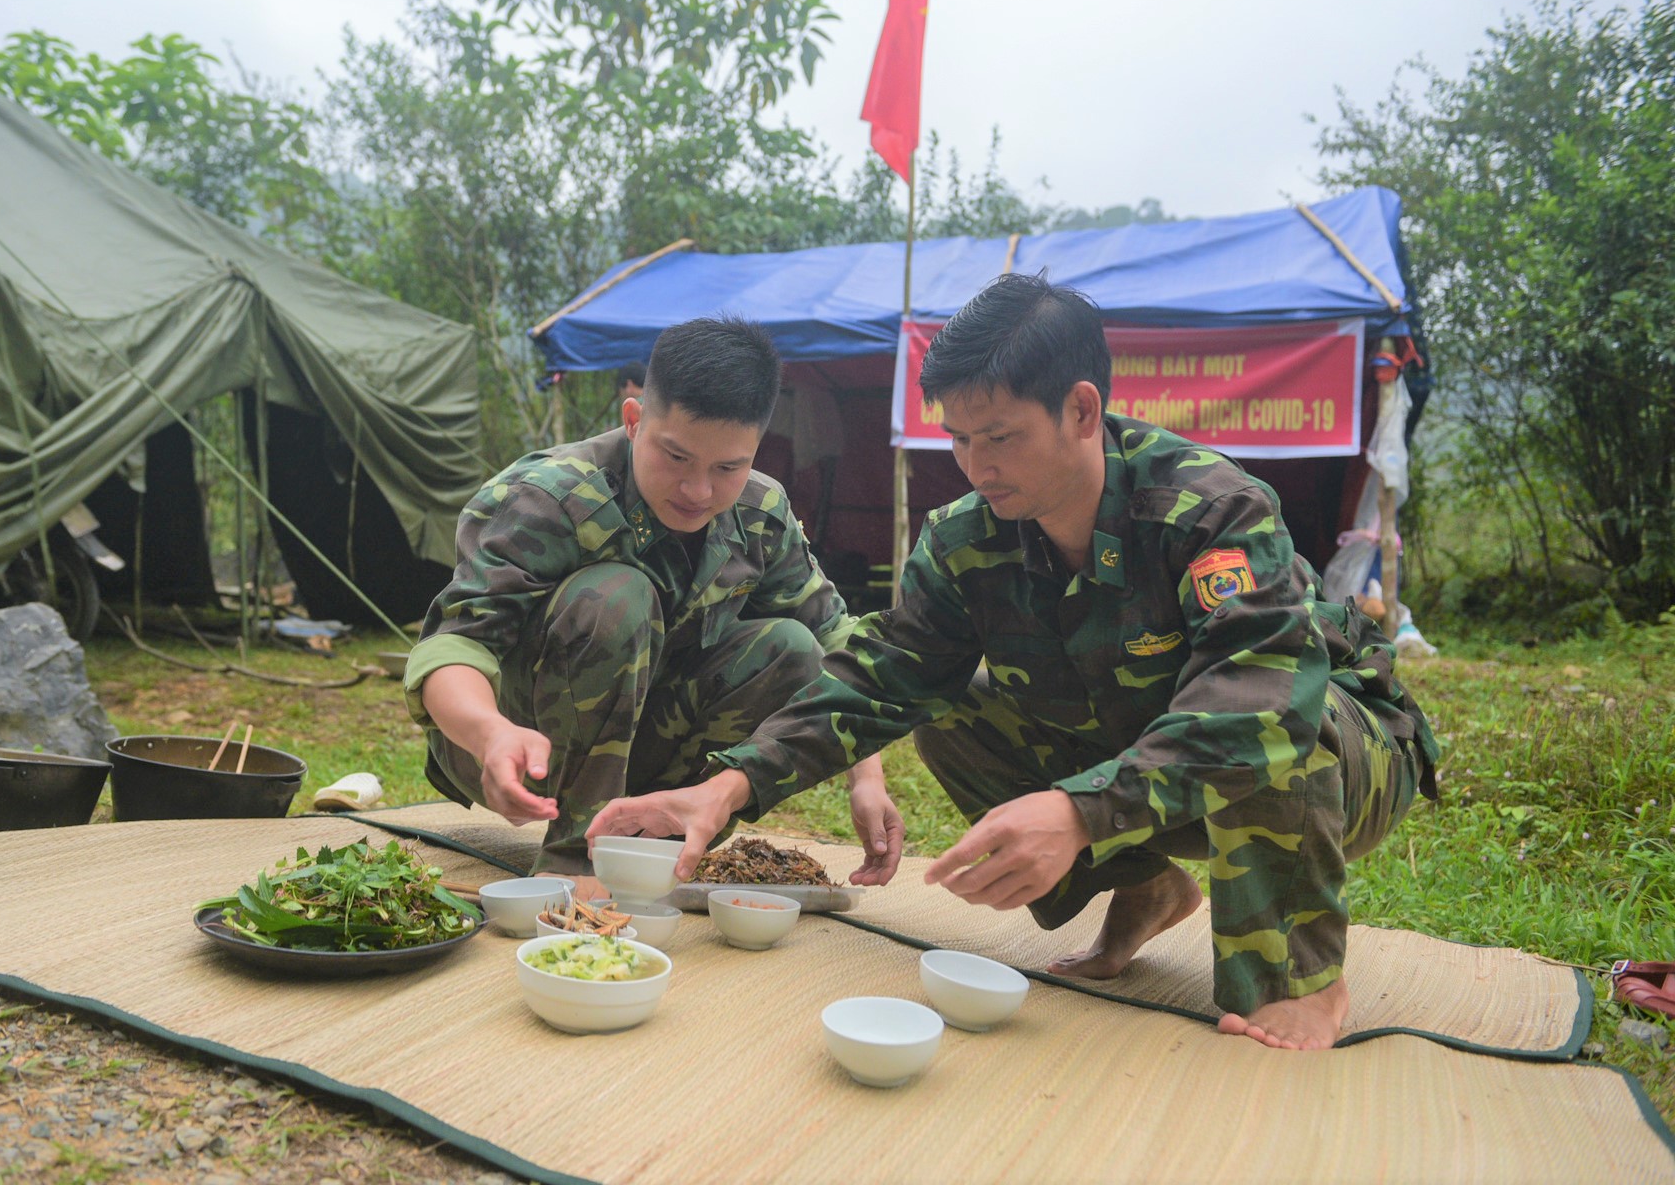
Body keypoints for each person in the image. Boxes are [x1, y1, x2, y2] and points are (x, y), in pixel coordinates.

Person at [587, 274, 1439, 1050]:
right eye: (957, 439)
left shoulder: (1209, 510)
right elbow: (884, 674)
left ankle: (1300, 979)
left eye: (998, 437)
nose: (975, 465)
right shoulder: (966, 537)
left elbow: (1263, 697)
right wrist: (729, 785)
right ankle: (1145, 887)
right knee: (955, 706)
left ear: (1079, 409)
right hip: (1146, 761)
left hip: (1347, 758)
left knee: (1271, 721)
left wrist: (1075, 815)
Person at [404, 316, 900, 898]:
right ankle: (573, 862)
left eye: (727, 467)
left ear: (755, 450)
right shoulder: (551, 498)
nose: (698, 490)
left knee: (791, 648)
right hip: (520, 743)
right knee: (617, 597)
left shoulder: (761, 512)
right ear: (634, 420)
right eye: (677, 457)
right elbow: (453, 648)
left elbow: (838, 643)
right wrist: (489, 736)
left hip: (649, 746)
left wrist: (865, 777)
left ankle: (660, 845)